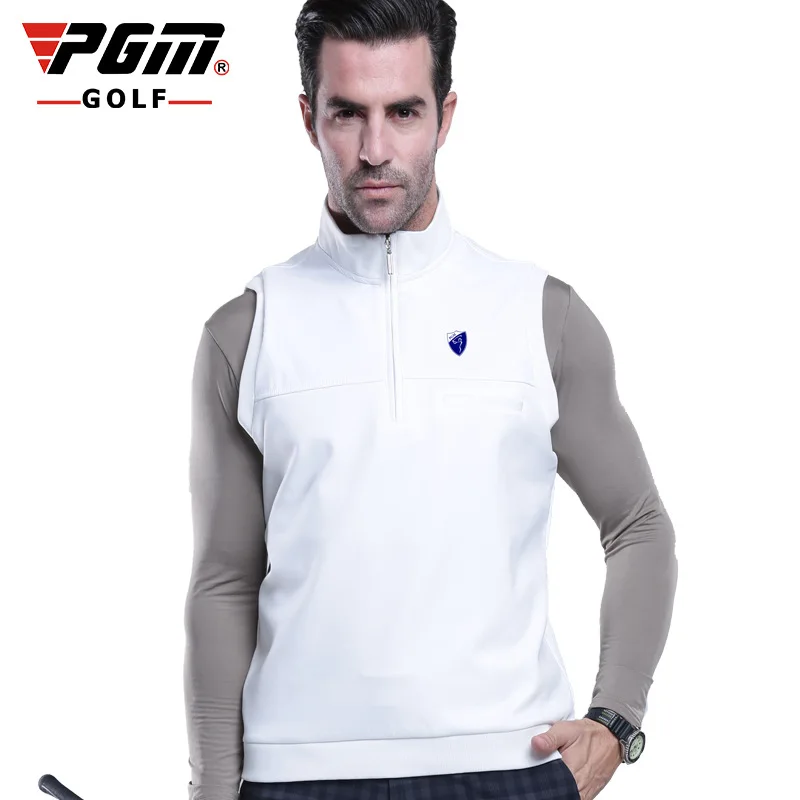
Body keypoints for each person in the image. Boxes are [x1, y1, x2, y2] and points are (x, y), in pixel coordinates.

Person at [185, 1, 678, 799]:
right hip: (300, 775)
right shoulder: (247, 330)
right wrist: (212, 789)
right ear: (309, 118)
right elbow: (224, 581)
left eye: (404, 112)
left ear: (445, 116)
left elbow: (638, 524)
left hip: (511, 762)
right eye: (348, 113)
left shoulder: (541, 314)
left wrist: (616, 722)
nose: (375, 150)